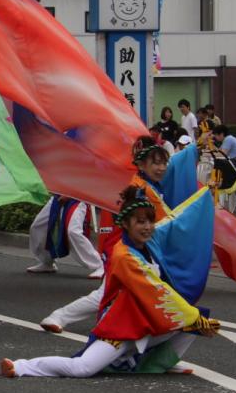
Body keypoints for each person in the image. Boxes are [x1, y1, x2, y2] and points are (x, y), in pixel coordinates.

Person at [1, 185, 220, 379]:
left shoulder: (151, 240)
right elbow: (155, 290)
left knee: (194, 322)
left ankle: (157, 363)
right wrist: (193, 318)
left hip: (147, 321)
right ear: (125, 224)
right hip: (121, 325)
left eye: (150, 221)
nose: (147, 227)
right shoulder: (124, 256)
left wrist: (203, 198)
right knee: (83, 368)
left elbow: (176, 223)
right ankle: (22, 366)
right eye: (140, 222)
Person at [39, 136, 172, 334]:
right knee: (107, 294)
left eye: (164, 163)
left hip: (138, 249)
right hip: (124, 249)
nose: (161, 168)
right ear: (142, 164)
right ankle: (59, 316)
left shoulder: (149, 186)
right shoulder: (137, 189)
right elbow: (128, 224)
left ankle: (154, 344)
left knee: (154, 296)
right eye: (156, 163)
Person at [25, 196, 103, 279]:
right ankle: (47, 262)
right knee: (38, 226)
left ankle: (100, 265)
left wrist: (68, 195)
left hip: (78, 198)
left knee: (73, 231)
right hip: (58, 195)